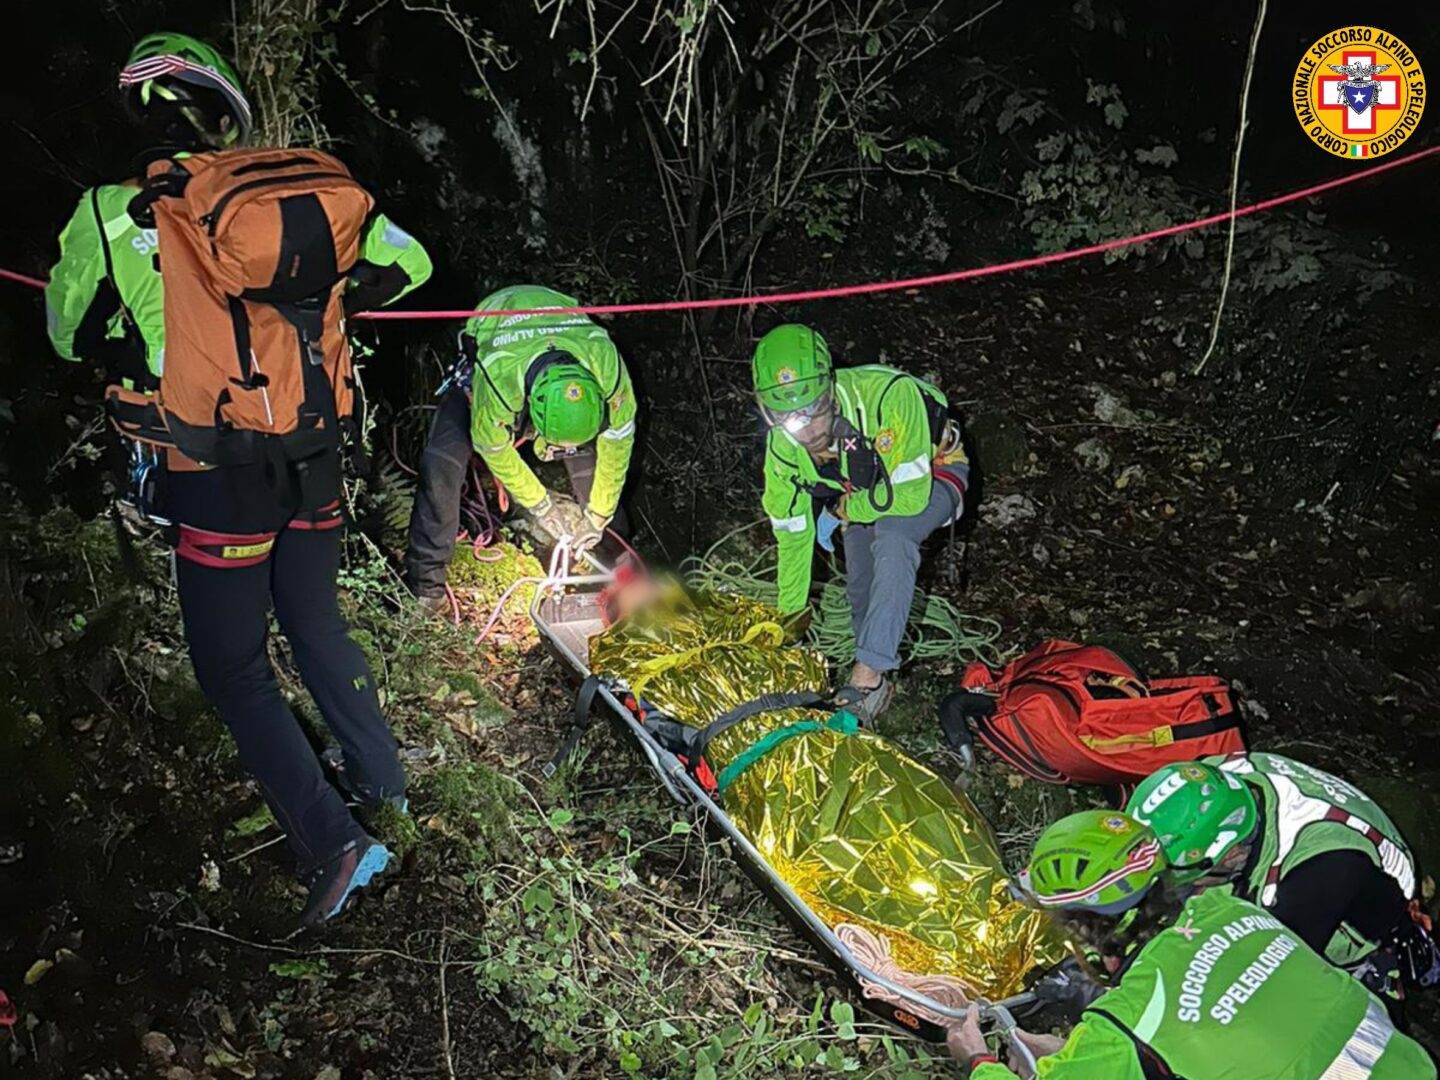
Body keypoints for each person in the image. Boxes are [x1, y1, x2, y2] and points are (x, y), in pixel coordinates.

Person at [45, 32, 433, 926]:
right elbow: (410, 265)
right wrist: (335, 300)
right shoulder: (301, 191)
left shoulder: (112, 212)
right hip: (317, 450)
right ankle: (384, 790)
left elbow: (65, 331)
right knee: (315, 621)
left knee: (230, 666)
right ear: (228, 108)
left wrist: (118, 330)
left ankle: (335, 844)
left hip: (218, 470)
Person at [946, 810, 1436, 1078]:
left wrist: (977, 1061)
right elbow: (1235, 1029)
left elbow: (1149, 1030)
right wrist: (1076, 1052)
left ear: (1083, 929)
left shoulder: (1126, 1025)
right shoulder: (1236, 912)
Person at [753, 324, 968, 721]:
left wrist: (845, 511)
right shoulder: (782, 450)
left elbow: (908, 498)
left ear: (830, 387)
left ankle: (866, 675)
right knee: (859, 564)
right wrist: (788, 627)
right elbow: (793, 539)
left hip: (936, 471)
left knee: (892, 535)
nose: (808, 430)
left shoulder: (888, 397)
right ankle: (876, 669)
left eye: (814, 409)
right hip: (863, 489)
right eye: (786, 417)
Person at [403, 284, 637, 608]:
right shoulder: (499, 380)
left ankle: (618, 569)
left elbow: (618, 443)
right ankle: (426, 587)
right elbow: (494, 448)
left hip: (562, 332)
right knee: (442, 461)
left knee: (593, 468)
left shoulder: (606, 367)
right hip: (490, 342)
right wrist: (542, 507)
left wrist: (597, 517)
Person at [1126, 755, 1439, 996]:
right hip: (1335, 858)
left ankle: (1396, 968)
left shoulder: (1317, 875)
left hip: (1363, 907)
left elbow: (1265, 977)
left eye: (1193, 875)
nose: (1188, 884)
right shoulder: (1212, 779)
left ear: (1232, 852)